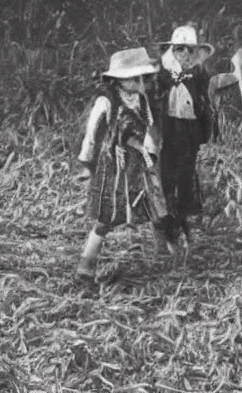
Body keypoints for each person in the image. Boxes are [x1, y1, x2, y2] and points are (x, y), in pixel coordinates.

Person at [75, 47, 179, 282]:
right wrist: (86, 162)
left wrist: (151, 154)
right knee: (107, 215)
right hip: (115, 163)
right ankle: (87, 262)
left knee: (155, 203)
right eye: (134, 78)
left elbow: (150, 129)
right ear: (118, 80)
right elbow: (92, 134)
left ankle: (166, 250)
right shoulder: (107, 102)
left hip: (140, 161)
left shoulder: (142, 101)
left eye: (143, 77)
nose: (140, 82)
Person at [155, 24, 218, 245]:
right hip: (168, 128)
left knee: (186, 176)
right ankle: (166, 226)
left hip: (189, 130)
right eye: (180, 49)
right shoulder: (161, 73)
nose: (185, 54)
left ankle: (182, 220)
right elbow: (153, 101)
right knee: (166, 176)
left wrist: (206, 131)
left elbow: (206, 103)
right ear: (172, 50)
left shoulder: (199, 74)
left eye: (190, 50)